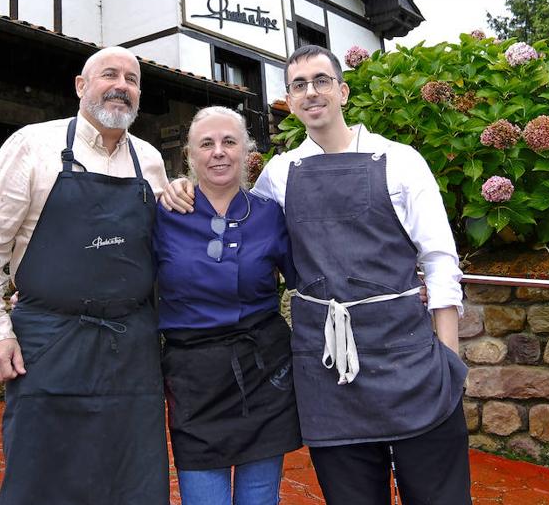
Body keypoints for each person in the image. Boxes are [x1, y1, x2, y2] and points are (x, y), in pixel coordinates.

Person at [163, 45, 471, 505]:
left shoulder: (401, 161)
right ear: (289, 98)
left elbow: (440, 260)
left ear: (343, 91)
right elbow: (237, 212)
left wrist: (450, 360)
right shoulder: (281, 176)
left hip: (410, 363)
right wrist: (182, 188)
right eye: (298, 85)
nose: (311, 92)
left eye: (321, 81)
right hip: (328, 376)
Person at [0, 46, 169, 505]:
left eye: (132, 79)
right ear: (81, 86)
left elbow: (168, 250)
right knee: (42, 478)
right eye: (108, 75)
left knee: (131, 481)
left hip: (131, 346)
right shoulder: (32, 145)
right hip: (48, 342)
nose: (121, 86)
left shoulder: (151, 161)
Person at [155, 106, 302, 505]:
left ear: (245, 151)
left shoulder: (271, 215)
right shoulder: (163, 213)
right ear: (190, 154)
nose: (218, 152)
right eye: (207, 144)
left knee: (259, 497)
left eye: (229, 142)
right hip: (194, 379)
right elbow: (127, 278)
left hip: (264, 371)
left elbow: (309, 280)